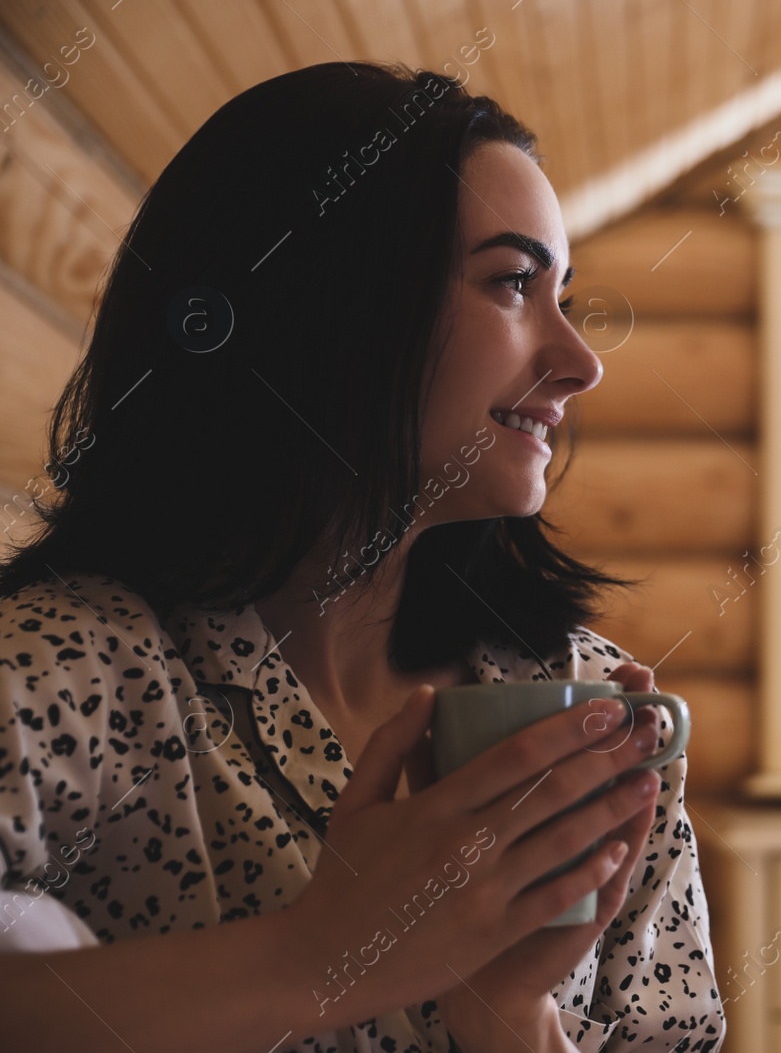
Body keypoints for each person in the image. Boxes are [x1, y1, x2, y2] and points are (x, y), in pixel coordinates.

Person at [0, 61, 724, 1053]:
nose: (581, 359)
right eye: (515, 281)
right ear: (327, 302)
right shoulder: (59, 674)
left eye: (565, 291)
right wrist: (317, 955)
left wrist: (509, 1019)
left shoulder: (584, 703)